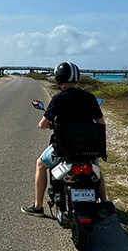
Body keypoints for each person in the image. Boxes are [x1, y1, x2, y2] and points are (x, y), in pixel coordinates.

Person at [22, 61, 108, 216]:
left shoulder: (59, 99)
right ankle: (105, 202)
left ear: (59, 79)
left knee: (40, 164)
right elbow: (101, 123)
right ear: (77, 79)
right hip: (88, 148)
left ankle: (38, 206)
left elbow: (42, 124)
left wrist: (51, 124)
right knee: (96, 170)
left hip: (64, 148)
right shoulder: (90, 97)